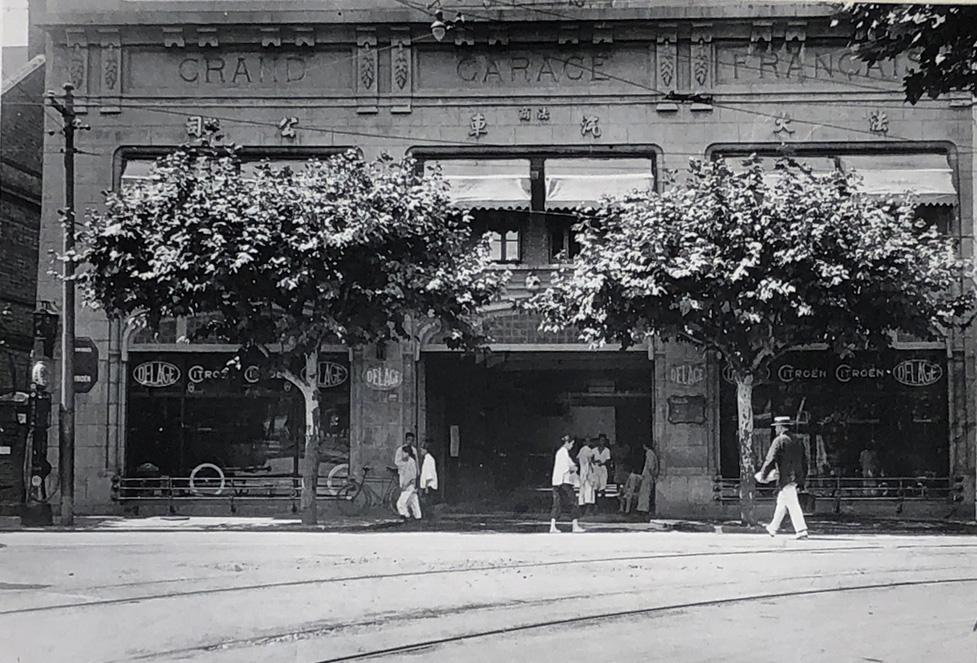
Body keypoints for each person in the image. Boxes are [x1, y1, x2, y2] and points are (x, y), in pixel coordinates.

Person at [757, 416, 808, 539]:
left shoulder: (779, 440)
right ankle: (773, 527)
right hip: (795, 477)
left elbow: (770, 459)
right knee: (782, 502)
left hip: (785, 477)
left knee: (792, 504)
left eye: (776, 427)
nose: (775, 429)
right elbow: (804, 461)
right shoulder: (798, 440)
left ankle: (801, 530)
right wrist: (802, 478)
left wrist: (763, 475)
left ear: (780, 427)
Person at [550, 435, 585, 533]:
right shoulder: (563, 452)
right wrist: (574, 468)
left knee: (557, 504)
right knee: (573, 503)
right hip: (564, 481)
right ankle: (575, 525)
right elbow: (568, 467)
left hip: (557, 482)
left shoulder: (560, 453)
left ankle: (552, 526)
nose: (572, 446)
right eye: (572, 444)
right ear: (567, 443)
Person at [394, 434, 422, 521]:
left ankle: (405, 514)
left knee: (401, 502)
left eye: (411, 440)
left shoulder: (413, 455)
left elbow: (416, 464)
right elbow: (397, 462)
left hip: (409, 480)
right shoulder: (400, 449)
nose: (410, 441)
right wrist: (403, 463)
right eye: (408, 439)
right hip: (403, 476)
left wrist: (418, 473)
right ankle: (418, 515)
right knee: (413, 499)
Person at [636, 440, 659, 515]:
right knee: (644, 492)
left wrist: (652, 475)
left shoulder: (649, 453)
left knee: (645, 492)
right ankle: (643, 508)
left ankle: (644, 509)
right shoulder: (651, 453)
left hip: (648, 475)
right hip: (648, 475)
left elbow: (650, 466)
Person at [576, 437, 597, 513]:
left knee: (583, 489)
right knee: (588, 489)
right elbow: (590, 460)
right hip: (587, 471)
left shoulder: (581, 450)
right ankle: (588, 507)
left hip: (583, 471)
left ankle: (582, 506)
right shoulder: (587, 450)